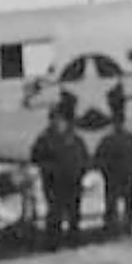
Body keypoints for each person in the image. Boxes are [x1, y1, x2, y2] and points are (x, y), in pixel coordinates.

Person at [27, 102, 89, 241]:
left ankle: (74, 239)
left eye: (60, 119)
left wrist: (80, 173)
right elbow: (36, 157)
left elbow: (84, 157)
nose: (58, 122)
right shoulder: (44, 139)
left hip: (73, 182)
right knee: (55, 214)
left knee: (74, 213)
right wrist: (49, 169)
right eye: (55, 118)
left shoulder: (74, 139)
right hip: (53, 183)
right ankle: (53, 241)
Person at [94, 94, 132, 238]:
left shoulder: (108, 140)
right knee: (126, 204)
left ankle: (115, 229)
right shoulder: (130, 139)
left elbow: (99, 159)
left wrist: (105, 172)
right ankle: (128, 228)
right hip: (122, 176)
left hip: (117, 177)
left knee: (118, 205)